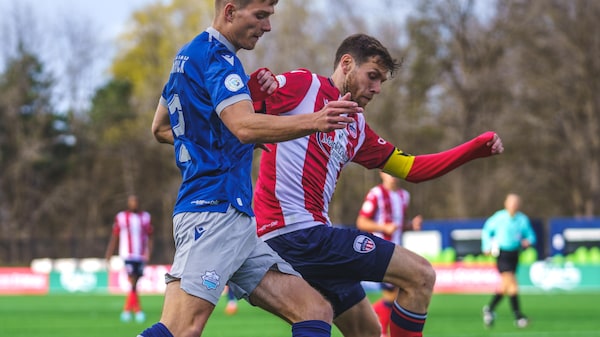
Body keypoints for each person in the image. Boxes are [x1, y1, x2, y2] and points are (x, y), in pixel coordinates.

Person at [252, 33, 504, 337]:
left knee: (368, 330)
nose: (377, 89)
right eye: (372, 76)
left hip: (312, 239)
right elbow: (240, 110)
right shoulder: (305, 86)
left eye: (381, 81)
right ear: (346, 64)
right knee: (420, 275)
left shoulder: (357, 126)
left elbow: (412, 168)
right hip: (291, 233)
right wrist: (256, 84)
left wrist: (473, 149)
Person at [140, 1, 364, 337]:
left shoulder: (187, 55)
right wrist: (316, 120)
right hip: (214, 211)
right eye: (260, 16)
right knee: (181, 329)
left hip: (237, 220)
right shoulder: (220, 59)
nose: (267, 27)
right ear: (230, 12)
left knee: (314, 311)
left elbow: (160, 127)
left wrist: (227, 141)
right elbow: (244, 126)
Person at [356, 172, 423, 337]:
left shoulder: (403, 196)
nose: (393, 176)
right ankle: (381, 330)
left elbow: (398, 225)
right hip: (379, 250)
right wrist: (383, 228)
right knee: (395, 294)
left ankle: (371, 318)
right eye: (388, 172)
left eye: (395, 172)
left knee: (397, 294)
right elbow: (362, 222)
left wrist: (410, 225)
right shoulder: (376, 194)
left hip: (397, 250)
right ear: (381, 174)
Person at [481, 193, 536, 328]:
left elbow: (531, 235)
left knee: (505, 285)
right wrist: (487, 246)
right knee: (512, 283)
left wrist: (528, 241)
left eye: (516, 202)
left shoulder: (522, 219)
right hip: (502, 253)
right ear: (506, 203)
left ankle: (489, 309)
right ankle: (518, 316)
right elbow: (486, 231)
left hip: (515, 253)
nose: (513, 205)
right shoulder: (499, 218)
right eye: (511, 202)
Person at [105, 194, 153, 323]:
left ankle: (127, 310)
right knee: (132, 282)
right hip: (127, 254)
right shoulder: (121, 217)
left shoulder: (146, 217)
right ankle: (137, 311)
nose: (134, 204)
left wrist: (149, 252)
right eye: (132, 202)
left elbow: (150, 236)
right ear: (128, 203)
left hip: (141, 255)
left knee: (135, 284)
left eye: (136, 202)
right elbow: (115, 236)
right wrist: (109, 254)